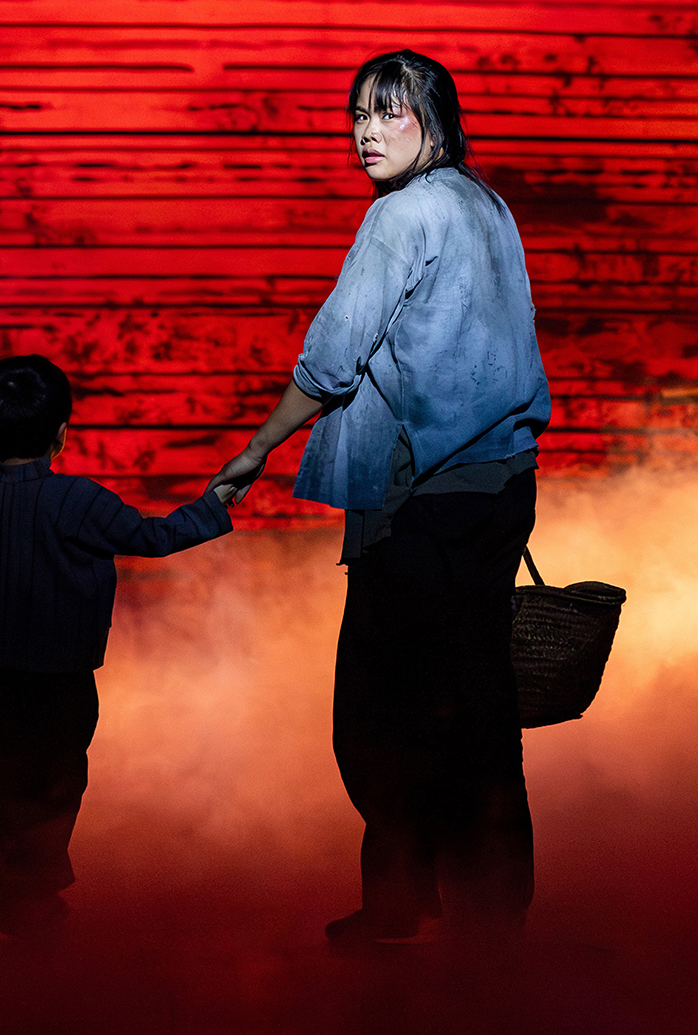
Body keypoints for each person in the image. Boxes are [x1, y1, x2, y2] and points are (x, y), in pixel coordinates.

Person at [209, 49, 551, 947]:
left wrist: (254, 451)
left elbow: (331, 358)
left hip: (421, 499)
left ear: (431, 118)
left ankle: (403, 896)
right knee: (477, 701)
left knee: (380, 709)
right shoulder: (487, 203)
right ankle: (492, 907)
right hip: (499, 484)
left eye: (388, 111)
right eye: (358, 113)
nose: (365, 129)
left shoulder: (402, 216)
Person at [0, 355, 234, 935]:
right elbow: (153, 538)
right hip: (65, 672)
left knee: (4, 780)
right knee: (60, 777)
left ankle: (20, 889)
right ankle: (37, 884)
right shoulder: (80, 500)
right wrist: (214, 505)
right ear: (61, 433)